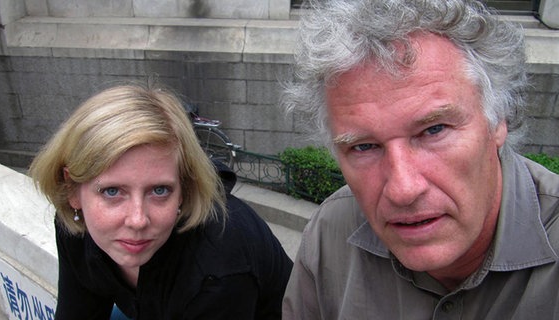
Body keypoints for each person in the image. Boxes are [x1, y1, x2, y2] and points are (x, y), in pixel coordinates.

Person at [281, 0, 559, 319]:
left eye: (434, 130)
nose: (403, 189)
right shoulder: (330, 233)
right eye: (364, 147)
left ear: (498, 120)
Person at [29, 84, 293, 319]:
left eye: (159, 191)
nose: (138, 220)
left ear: (184, 189)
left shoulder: (218, 264)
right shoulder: (78, 226)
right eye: (111, 192)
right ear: (73, 191)